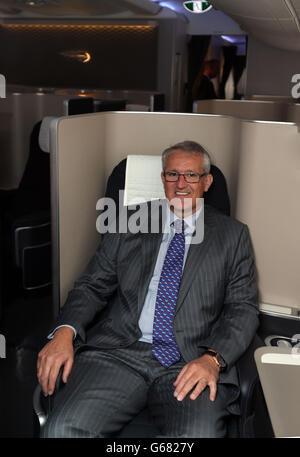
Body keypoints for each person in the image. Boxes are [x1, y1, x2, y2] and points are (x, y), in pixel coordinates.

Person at [37, 140, 259, 438]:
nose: (181, 184)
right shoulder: (129, 221)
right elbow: (91, 285)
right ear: (163, 180)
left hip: (189, 359)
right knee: (61, 430)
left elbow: (242, 308)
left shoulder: (233, 235)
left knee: (197, 436)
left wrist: (213, 359)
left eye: (191, 175)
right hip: (119, 353)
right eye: (172, 175)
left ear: (207, 182)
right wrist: (64, 331)